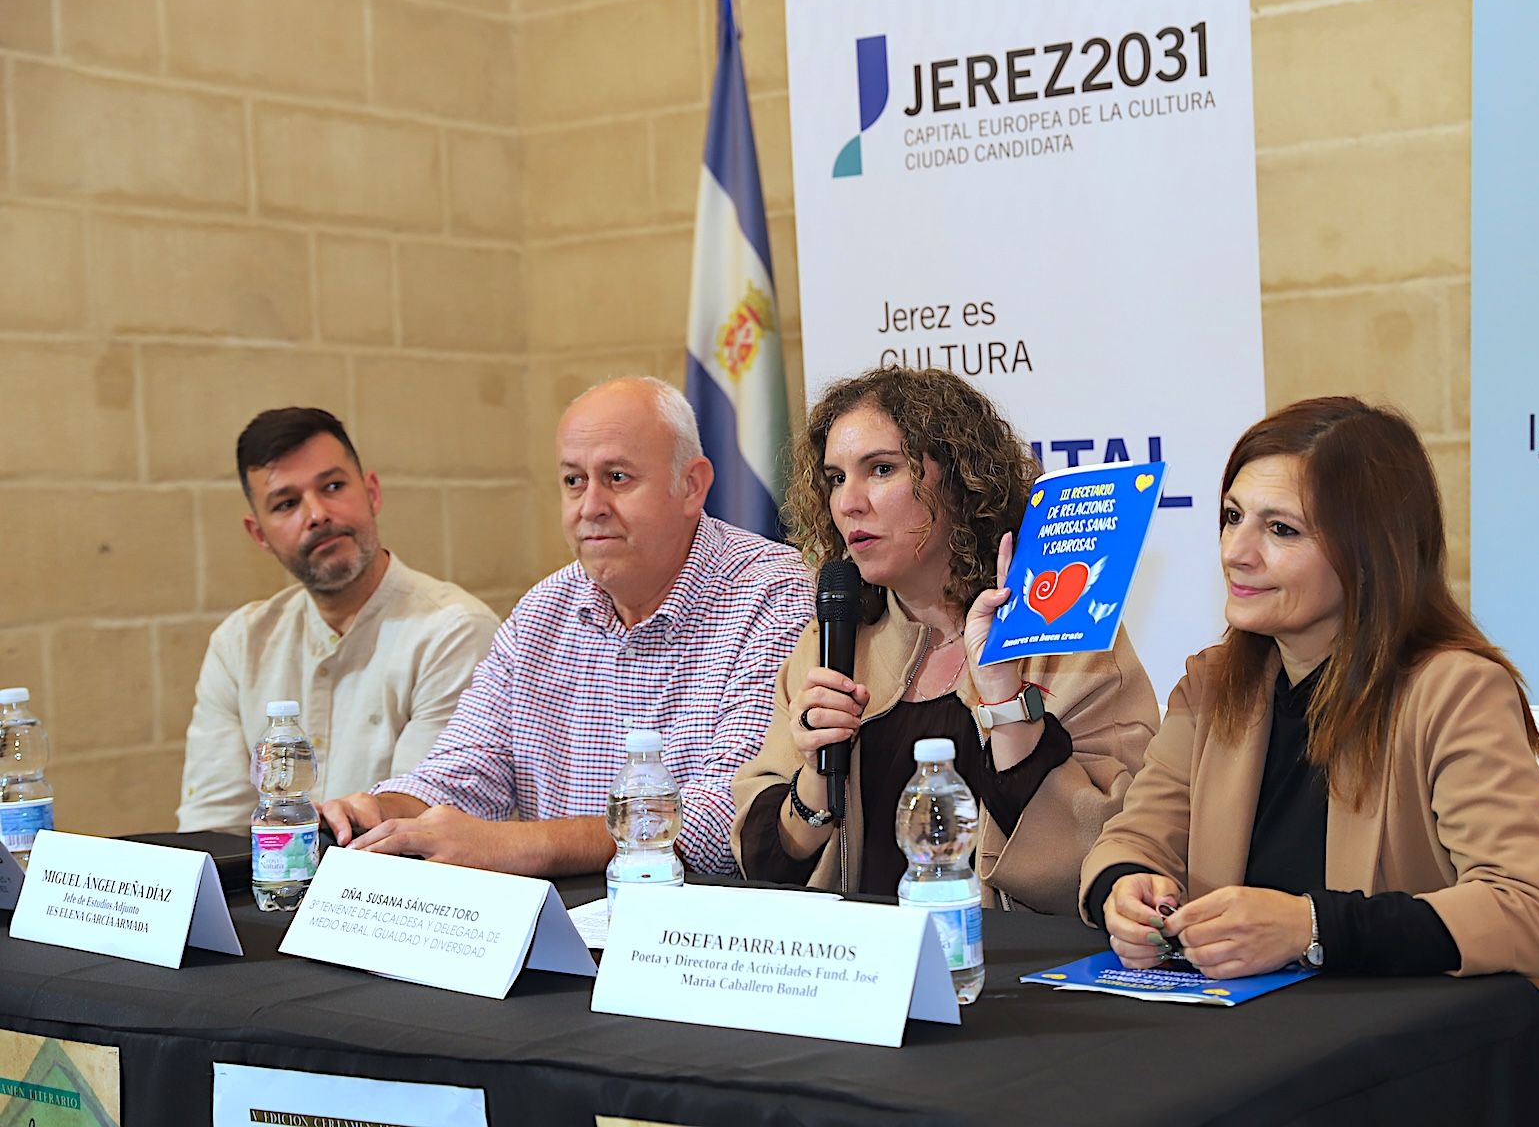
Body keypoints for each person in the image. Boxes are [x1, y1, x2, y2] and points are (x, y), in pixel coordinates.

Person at [1081, 397, 1539, 1125]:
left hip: (1446, 1078)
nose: (1238, 551)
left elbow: (1528, 912)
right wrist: (1125, 889)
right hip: (1269, 1064)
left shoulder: (1455, 689)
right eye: (1232, 517)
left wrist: (1308, 927)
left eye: (1281, 530)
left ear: (1369, 550)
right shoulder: (1213, 684)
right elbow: (1131, 840)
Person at [317, 377, 810, 878]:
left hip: (699, 938)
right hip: (562, 931)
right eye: (574, 481)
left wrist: (521, 846)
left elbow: (731, 820)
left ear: (691, 485)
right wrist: (383, 815)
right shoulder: (544, 608)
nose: (590, 506)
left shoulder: (773, 594)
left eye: (617, 477)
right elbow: (464, 772)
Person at [732, 367, 1159, 914]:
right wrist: (816, 782)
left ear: (961, 481)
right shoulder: (829, 644)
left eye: (881, 469)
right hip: (853, 980)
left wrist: (1007, 709)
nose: (849, 503)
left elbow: (1108, 856)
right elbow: (764, 863)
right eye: (836, 478)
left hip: (1001, 979)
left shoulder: (1068, 641)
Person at [177, 408, 498, 832]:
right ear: (260, 535)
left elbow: (427, 819)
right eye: (287, 503)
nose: (317, 514)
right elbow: (214, 827)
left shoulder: (451, 631)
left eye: (332, 486)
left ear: (372, 493)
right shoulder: (240, 643)